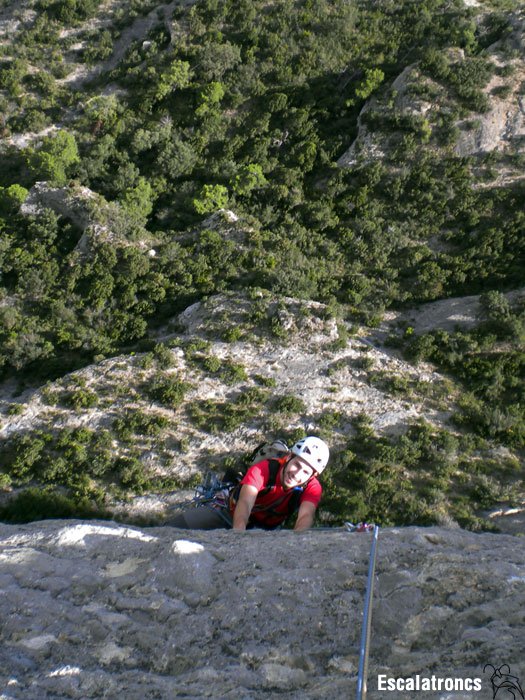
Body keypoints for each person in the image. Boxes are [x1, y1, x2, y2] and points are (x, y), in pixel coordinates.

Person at [166, 436, 329, 532]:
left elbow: (306, 515)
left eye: (305, 472)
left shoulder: (312, 487)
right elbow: (245, 502)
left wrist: (297, 541)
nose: (297, 474)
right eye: (297, 465)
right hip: (227, 513)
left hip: (265, 530)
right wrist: (239, 534)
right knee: (173, 527)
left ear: (312, 476)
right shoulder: (264, 469)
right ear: (288, 458)